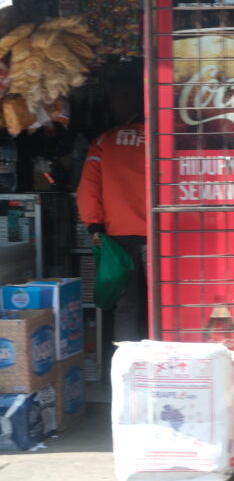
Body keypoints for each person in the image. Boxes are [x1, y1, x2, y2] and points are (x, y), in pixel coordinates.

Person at [76, 79, 147, 343]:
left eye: (115, 100)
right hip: (159, 235)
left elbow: (88, 189)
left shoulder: (104, 142)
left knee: (127, 305)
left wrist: (94, 226)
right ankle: (166, 360)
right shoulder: (161, 138)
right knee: (163, 300)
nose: (112, 106)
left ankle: (126, 360)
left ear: (128, 100)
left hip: (119, 238)